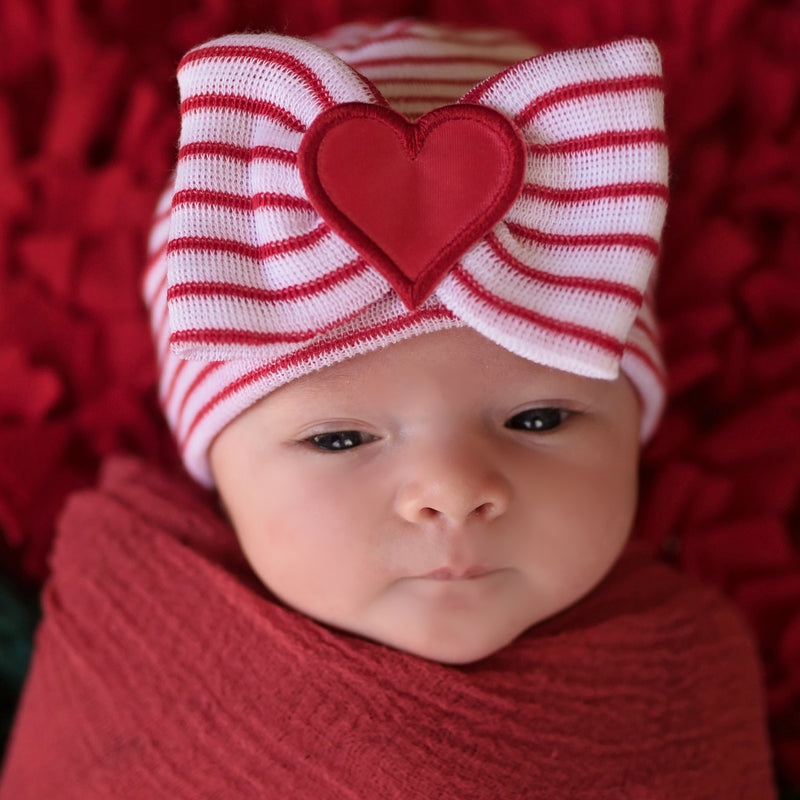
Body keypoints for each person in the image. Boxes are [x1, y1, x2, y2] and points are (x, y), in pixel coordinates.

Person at [0, 19, 777, 798]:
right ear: (218, 476)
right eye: (339, 437)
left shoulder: (687, 673)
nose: (449, 489)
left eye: (539, 420)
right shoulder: (127, 640)